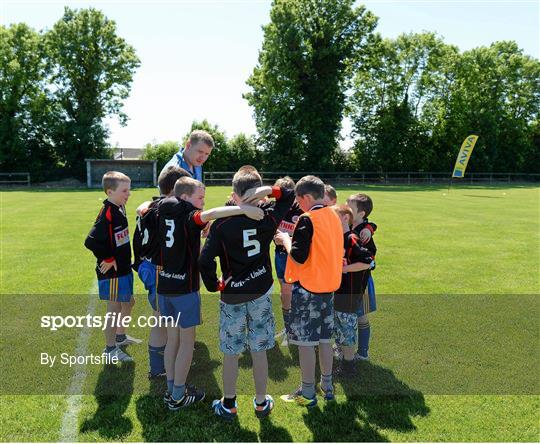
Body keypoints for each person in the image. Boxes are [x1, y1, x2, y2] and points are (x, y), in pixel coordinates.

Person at [158, 177, 265, 411]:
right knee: (187, 342)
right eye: (200, 198)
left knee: (172, 340)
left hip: (164, 286)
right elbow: (211, 214)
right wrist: (242, 208)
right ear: (185, 198)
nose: (203, 203)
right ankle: (178, 395)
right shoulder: (189, 215)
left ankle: (170, 389)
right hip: (184, 289)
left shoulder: (163, 209)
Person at [199, 167, 295, 420]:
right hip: (260, 291)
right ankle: (261, 402)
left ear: (234, 194)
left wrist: (213, 285)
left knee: (231, 351)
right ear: (260, 195)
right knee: (259, 349)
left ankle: (229, 403)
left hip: (232, 295)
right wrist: (267, 192)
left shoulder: (222, 224)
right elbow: (288, 192)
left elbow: (204, 261)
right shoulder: (268, 217)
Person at [275, 175, 343, 407]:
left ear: (304, 197)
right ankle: (327, 385)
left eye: (298, 199)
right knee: (325, 339)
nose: (297, 204)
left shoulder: (307, 218)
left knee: (305, 343)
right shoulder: (333, 215)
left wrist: (285, 239)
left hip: (308, 289)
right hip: (328, 288)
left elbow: (299, 255)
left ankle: (307, 393)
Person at [132, 166, 190, 378]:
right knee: (163, 321)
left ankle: (162, 364)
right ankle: (160, 368)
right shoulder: (170, 210)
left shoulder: (150, 207)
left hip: (148, 266)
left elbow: (137, 241)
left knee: (162, 320)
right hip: (160, 270)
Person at [84, 171, 139, 363]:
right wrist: (108, 258)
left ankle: (120, 336)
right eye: (124, 190)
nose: (128, 194)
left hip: (124, 268)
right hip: (113, 273)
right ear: (110, 192)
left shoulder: (119, 207)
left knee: (129, 302)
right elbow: (91, 241)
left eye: (129, 190)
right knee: (114, 309)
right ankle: (109, 349)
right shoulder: (108, 212)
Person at [331, 205, 375, 375]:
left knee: (346, 328)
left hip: (349, 293)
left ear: (344, 218)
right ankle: (344, 357)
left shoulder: (351, 238)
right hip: (337, 291)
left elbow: (367, 261)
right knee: (339, 326)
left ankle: (349, 366)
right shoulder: (337, 238)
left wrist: (344, 269)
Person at [346, 193, 378, 360]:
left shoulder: (364, 234)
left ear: (361, 214)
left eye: (349, 206)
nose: (345, 208)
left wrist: (369, 227)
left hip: (361, 282)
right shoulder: (349, 225)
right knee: (346, 315)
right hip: (347, 281)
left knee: (361, 315)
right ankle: (345, 349)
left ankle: (363, 352)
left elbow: (369, 260)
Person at [272, 176, 303, 347]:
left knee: (297, 294)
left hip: (297, 258)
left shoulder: (301, 210)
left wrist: (287, 238)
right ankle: (289, 329)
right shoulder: (276, 208)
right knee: (285, 294)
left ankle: (298, 330)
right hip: (281, 256)